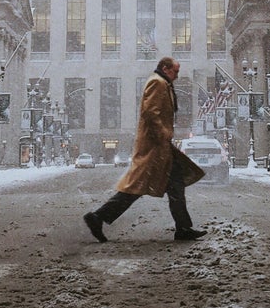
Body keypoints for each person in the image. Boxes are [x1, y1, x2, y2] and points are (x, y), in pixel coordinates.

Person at [84, 57, 206, 243]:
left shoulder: (162, 83)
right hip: (155, 146)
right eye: (175, 71)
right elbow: (150, 112)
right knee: (137, 186)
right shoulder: (157, 83)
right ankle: (98, 217)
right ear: (165, 69)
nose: (177, 75)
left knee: (175, 183)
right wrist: (163, 133)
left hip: (160, 145)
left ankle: (183, 227)